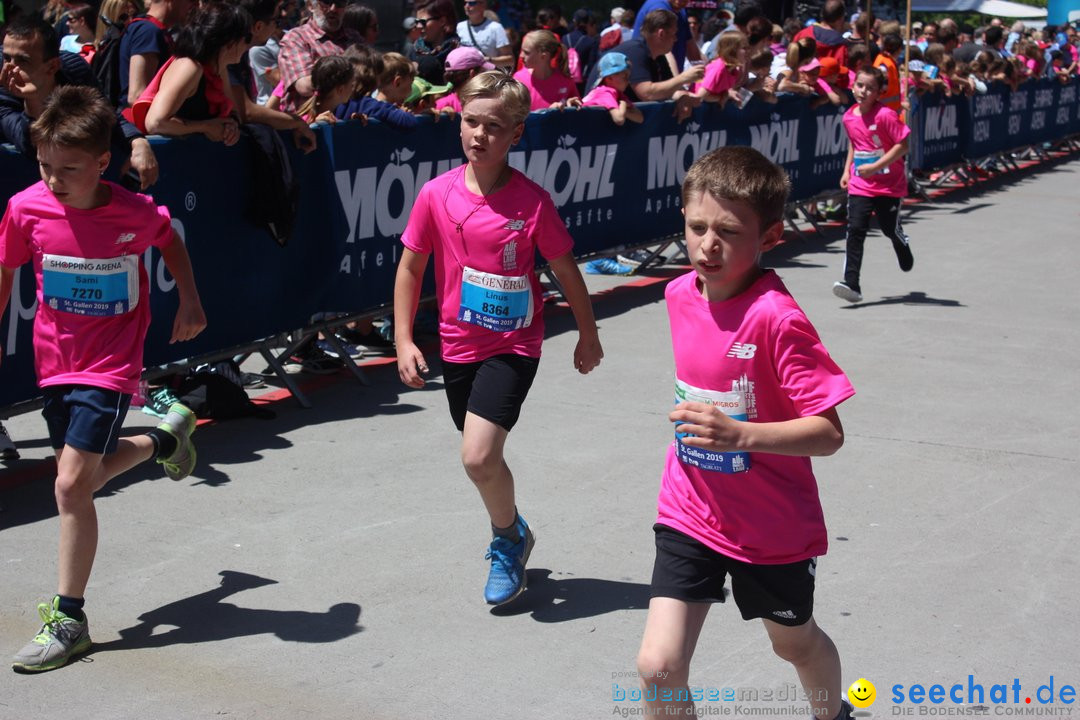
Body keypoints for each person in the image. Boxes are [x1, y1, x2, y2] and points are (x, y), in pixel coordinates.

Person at [634, 145, 854, 720]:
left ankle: (834, 713)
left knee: (794, 645)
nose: (708, 244)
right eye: (697, 226)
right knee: (658, 666)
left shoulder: (778, 319)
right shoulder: (679, 293)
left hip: (771, 528)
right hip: (691, 507)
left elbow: (828, 433)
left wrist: (742, 435)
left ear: (770, 237)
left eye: (728, 232)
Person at [0, 85, 206, 673]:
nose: (54, 179)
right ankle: (166, 439)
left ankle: (70, 620)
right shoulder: (25, 207)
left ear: (102, 163)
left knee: (69, 485)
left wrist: (190, 301)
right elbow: (7, 267)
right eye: (44, 166)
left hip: (112, 367)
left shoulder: (135, 213)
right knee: (80, 480)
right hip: (54, 362)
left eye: (68, 168)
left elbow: (170, 241)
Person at [393, 71, 603, 606]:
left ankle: (506, 541)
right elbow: (410, 269)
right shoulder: (435, 195)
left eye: (493, 126)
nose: (479, 135)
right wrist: (402, 338)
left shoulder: (531, 202)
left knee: (478, 456)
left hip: (513, 344)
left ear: (516, 134)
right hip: (455, 344)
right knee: (481, 458)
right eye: (470, 122)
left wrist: (587, 334)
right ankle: (514, 527)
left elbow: (565, 268)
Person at [0, 16, 160, 189]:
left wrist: (138, 143)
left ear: (53, 66)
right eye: (6, 58)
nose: (9, 68)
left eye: (23, 61)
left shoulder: (73, 69)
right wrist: (32, 101)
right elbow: (32, 148)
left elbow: (104, 114)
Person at [833, 67, 913, 304]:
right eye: (860, 85)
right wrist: (848, 170)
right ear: (853, 86)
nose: (863, 91)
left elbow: (904, 145)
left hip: (889, 184)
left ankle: (901, 241)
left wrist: (877, 166)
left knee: (889, 228)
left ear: (878, 92)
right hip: (861, 183)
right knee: (855, 230)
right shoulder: (849, 116)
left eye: (870, 88)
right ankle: (851, 283)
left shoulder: (885, 116)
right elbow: (854, 145)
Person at [132, 1, 250, 144]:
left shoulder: (219, 68)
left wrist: (231, 127)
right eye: (246, 38)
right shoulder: (190, 67)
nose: (248, 45)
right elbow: (155, 122)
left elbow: (232, 113)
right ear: (230, 42)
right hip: (172, 161)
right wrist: (206, 127)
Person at [583, 9, 702, 121]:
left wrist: (683, 97)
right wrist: (684, 78)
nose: (676, 39)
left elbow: (671, 88)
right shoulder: (635, 51)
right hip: (600, 125)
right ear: (661, 34)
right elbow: (647, 93)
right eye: (674, 34)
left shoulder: (658, 55)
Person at [276, 0, 360, 113]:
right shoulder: (296, 38)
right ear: (310, 5)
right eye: (326, 2)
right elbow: (304, 86)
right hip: (310, 125)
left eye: (339, 3)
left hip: (351, 119)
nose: (333, 9)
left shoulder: (354, 38)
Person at [118, 0, 195, 109]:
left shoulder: (153, 30)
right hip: (138, 123)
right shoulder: (148, 31)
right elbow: (137, 96)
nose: (194, 4)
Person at [514, 29, 581, 111]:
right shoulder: (519, 80)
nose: (521, 55)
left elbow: (578, 113)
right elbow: (513, 117)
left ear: (543, 56)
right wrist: (548, 113)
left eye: (526, 52)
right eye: (521, 51)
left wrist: (570, 107)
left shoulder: (565, 81)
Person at [581, 50, 643, 124]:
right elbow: (619, 120)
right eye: (625, 77)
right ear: (610, 78)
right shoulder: (605, 93)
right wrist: (623, 104)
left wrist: (623, 111)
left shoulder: (618, 94)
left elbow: (640, 118)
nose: (628, 81)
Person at [408, 0, 458, 86]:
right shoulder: (414, 51)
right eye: (417, 22)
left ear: (442, 21)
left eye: (423, 22)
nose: (419, 27)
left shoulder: (458, 53)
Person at [692, 30, 748, 106]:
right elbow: (700, 96)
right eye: (744, 48)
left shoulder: (733, 71)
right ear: (732, 50)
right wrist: (722, 97)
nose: (748, 51)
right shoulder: (718, 69)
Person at [294, 53, 353, 123]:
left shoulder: (332, 119)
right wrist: (316, 126)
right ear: (340, 90)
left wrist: (354, 124)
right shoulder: (303, 125)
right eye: (351, 85)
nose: (353, 89)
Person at [456, 0, 513, 69]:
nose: (467, 6)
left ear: (483, 5)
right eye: (465, 3)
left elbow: (510, 60)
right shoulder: (460, 27)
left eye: (472, 3)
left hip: (488, 77)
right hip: (467, 76)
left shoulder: (496, 28)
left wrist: (486, 60)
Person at [435, 45, 492, 113]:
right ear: (472, 74)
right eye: (483, 72)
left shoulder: (440, 105)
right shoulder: (488, 104)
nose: (487, 76)